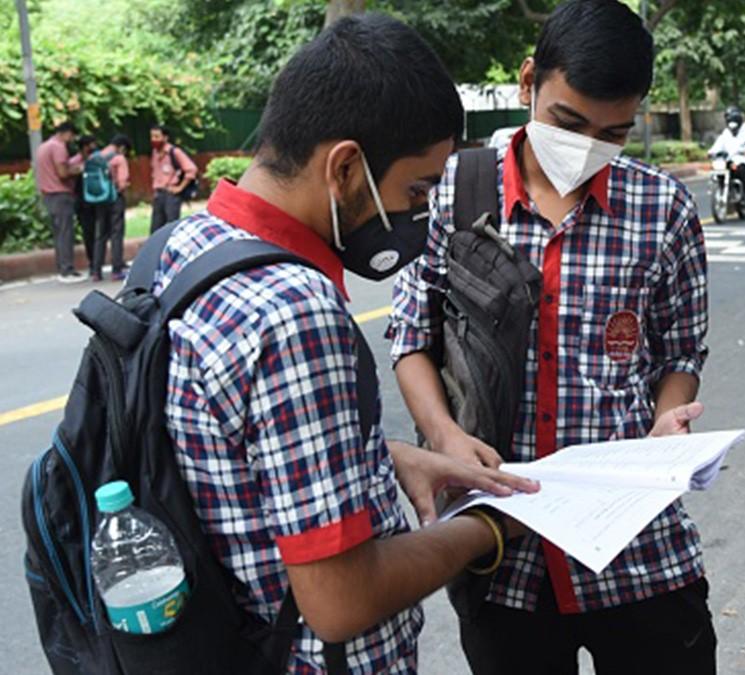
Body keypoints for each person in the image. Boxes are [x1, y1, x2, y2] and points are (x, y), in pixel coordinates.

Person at [153, 14, 538, 673]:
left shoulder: (188, 247)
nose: (420, 213)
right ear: (347, 166)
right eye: (416, 189)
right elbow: (339, 598)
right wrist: (489, 529)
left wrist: (387, 458)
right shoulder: (295, 312)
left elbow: (228, 441)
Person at [390, 1, 715, 673]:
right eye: (568, 122)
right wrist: (446, 438)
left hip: (638, 551)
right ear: (528, 81)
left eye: (614, 132)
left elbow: (680, 352)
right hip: (502, 556)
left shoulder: (663, 209)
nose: (587, 145)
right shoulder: (454, 189)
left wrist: (666, 426)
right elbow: (410, 335)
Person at [34, 121, 85, 283]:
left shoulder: (43, 146)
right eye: (71, 135)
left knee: (58, 233)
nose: (71, 139)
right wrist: (78, 170)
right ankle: (67, 269)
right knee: (65, 232)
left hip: (49, 195)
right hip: (61, 194)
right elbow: (62, 173)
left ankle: (61, 266)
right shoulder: (58, 147)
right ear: (66, 133)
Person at [91, 134, 132, 281]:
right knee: (116, 233)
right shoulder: (119, 159)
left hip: (99, 199)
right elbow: (122, 182)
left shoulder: (96, 157)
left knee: (100, 234)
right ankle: (116, 270)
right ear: (122, 147)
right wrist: (124, 187)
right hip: (115, 199)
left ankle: (96, 271)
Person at [149, 124, 197, 233]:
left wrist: (180, 187)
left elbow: (191, 169)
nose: (154, 140)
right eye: (152, 137)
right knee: (155, 228)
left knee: (171, 228)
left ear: (165, 138)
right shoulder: (155, 153)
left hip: (171, 194)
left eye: (157, 137)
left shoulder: (174, 152)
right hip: (158, 194)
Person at [708, 105, 745, 201]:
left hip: (742, 159)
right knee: (717, 171)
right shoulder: (726, 132)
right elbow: (719, 144)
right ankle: (723, 189)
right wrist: (711, 152)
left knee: (744, 170)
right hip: (728, 160)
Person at [71, 134, 99, 279]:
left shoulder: (97, 160)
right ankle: (93, 262)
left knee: (97, 233)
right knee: (88, 233)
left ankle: (97, 262)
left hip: (96, 200)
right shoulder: (75, 162)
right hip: (82, 203)